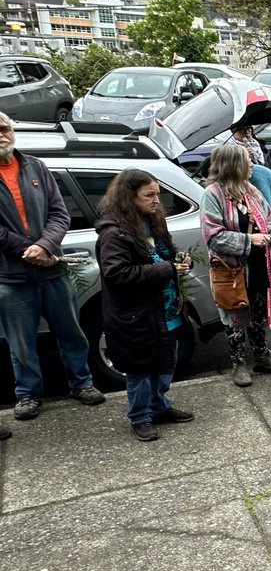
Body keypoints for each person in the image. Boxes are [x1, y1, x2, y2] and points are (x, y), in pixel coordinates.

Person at [0, 110, 106, 425]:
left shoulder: (36, 167)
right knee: (21, 344)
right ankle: (28, 394)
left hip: (53, 271)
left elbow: (60, 214)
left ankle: (82, 383)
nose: (0, 133)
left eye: (4, 127)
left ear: (12, 131)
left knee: (71, 332)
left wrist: (45, 245)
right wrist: (26, 249)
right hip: (12, 278)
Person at [95, 168, 194, 441]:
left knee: (166, 364)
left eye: (157, 194)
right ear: (129, 197)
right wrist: (167, 269)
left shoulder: (152, 220)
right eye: (149, 195)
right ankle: (140, 417)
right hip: (137, 315)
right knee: (141, 369)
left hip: (165, 311)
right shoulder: (114, 233)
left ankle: (159, 407)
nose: (156, 201)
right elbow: (117, 274)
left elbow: (168, 254)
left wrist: (183, 261)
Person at [200, 144, 271, 387]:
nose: (252, 165)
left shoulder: (251, 191)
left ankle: (262, 356)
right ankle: (238, 363)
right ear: (232, 165)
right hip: (232, 269)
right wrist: (249, 240)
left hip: (259, 264)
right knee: (235, 314)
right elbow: (213, 236)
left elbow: (268, 221)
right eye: (247, 161)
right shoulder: (213, 194)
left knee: (258, 311)